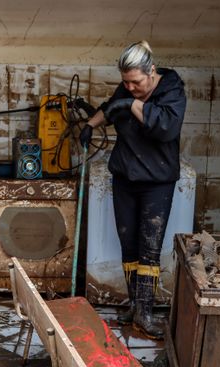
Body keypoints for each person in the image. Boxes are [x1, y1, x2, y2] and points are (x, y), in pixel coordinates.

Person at [79, 40, 186, 340]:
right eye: (125, 82)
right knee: (129, 245)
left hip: (156, 181)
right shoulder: (127, 89)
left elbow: (167, 127)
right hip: (125, 176)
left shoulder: (172, 90)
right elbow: (111, 109)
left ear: (151, 71)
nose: (130, 87)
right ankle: (135, 305)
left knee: (149, 249)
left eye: (136, 82)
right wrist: (90, 124)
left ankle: (147, 313)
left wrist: (134, 105)